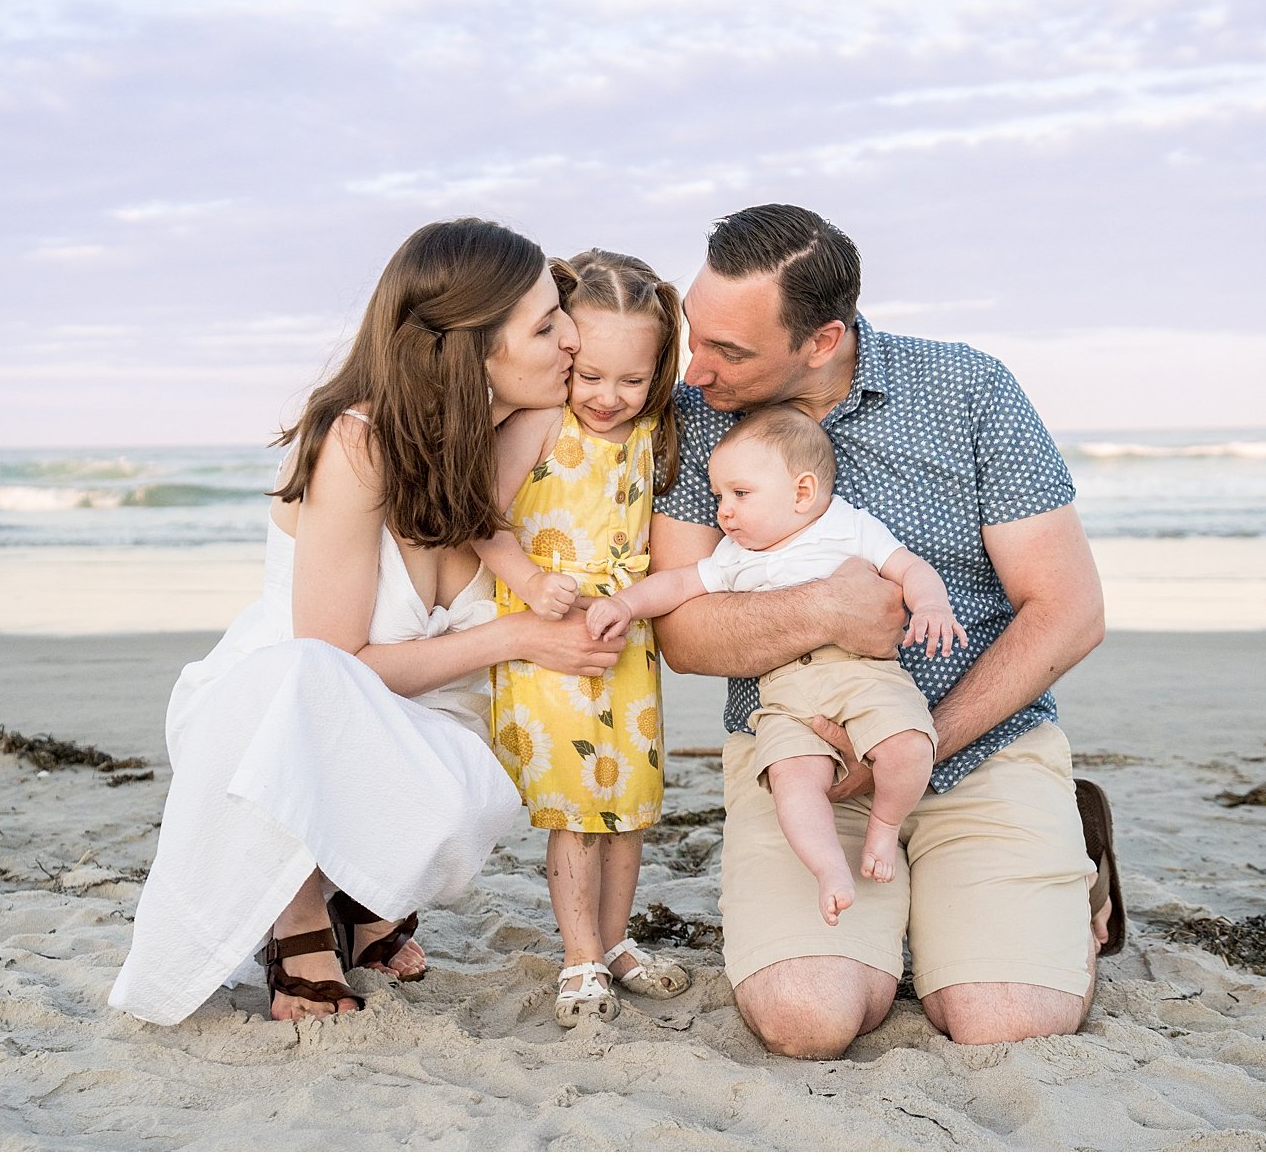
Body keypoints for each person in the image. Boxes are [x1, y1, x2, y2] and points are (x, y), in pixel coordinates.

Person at [110, 218, 626, 1026]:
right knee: (310, 683)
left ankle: (360, 889)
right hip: (278, 717)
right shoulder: (357, 446)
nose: (571, 338)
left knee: (461, 801)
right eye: (546, 323)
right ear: (470, 353)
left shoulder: (523, 427)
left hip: (416, 716)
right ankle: (297, 914)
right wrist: (522, 635)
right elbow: (334, 664)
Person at [649, 203, 1119, 1057]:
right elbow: (681, 633)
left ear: (823, 340)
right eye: (694, 333)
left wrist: (916, 744)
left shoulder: (968, 389)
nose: (695, 369)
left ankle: (1067, 871)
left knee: (1003, 1021)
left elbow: (1069, 607)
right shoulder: (697, 415)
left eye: (730, 351)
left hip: (979, 744)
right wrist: (824, 610)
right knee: (808, 1017)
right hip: (803, 765)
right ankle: (900, 918)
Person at [585, 404, 966, 928]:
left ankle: (884, 822)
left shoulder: (848, 527)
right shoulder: (734, 556)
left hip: (866, 675)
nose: (724, 511)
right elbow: (677, 585)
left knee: (909, 744)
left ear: (802, 492)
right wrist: (626, 605)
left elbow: (910, 568)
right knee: (793, 779)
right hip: (785, 693)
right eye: (720, 496)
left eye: (740, 494)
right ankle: (828, 866)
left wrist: (930, 606)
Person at [476, 249, 693, 1027]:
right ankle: (578, 954)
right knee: (577, 808)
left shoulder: (653, 428)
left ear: (658, 370)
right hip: (548, 633)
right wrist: (533, 585)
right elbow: (482, 520)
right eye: (591, 375)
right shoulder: (540, 421)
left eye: (631, 380)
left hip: (624, 635)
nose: (608, 396)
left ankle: (613, 938)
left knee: (629, 804)